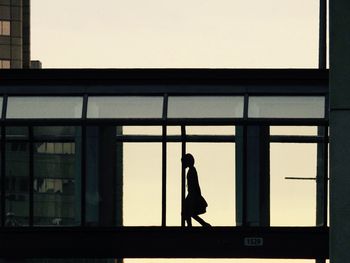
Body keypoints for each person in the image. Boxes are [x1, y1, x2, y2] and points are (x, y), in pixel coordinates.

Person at [182, 153, 211, 227]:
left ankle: (192, 226)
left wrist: (194, 196)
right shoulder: (192, 170)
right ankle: (203, 224)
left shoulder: (191, 171)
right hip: (193, 194)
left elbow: (194, 184)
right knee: (190, 212)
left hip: (192, 194)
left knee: (187, 211)